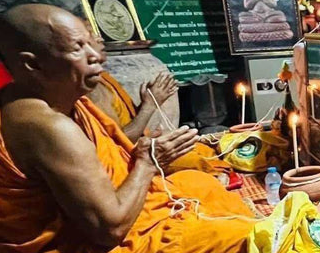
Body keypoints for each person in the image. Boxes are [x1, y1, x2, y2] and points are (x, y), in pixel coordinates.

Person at [0, 4, 256, 253]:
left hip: (117, 214)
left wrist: (151, 154)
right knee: (250, 237)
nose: (95, 53)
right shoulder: (48, 127)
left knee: (200, 184)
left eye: (90, 40)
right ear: (33, 65)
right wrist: (149, 161)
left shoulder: (63, 100)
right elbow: (110, 230)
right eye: (77, 47)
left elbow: (115, 148)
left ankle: (207, 227)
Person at [89, 66, 229, 174]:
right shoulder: (91, 90)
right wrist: (150, 104)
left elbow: (125, 120)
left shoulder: (104, 79)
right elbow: (117, 143)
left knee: (202, 149)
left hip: (143, 143)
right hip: (131, 158)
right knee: (198, 164)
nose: (98, 38)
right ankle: (218, 177)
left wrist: (146, 104)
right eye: (89, 35)